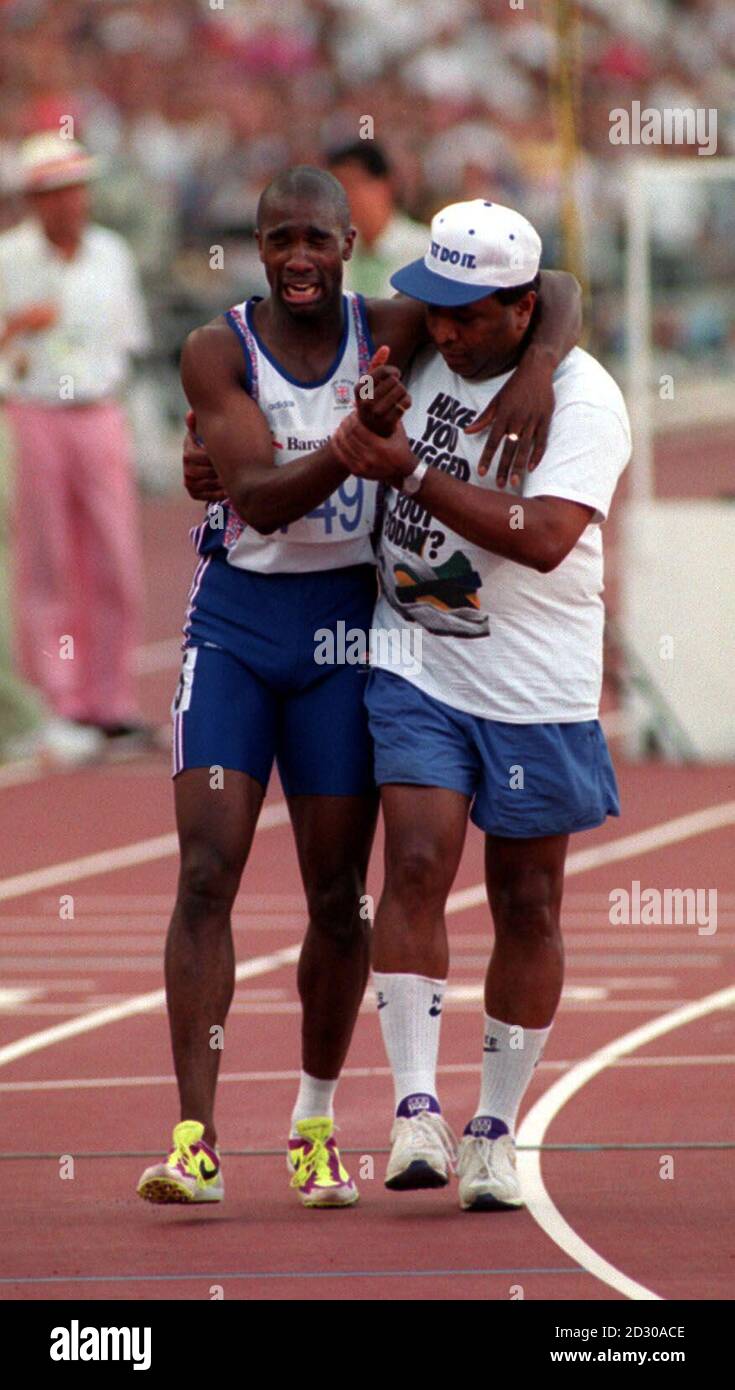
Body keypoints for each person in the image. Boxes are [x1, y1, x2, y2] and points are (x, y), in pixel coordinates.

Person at [138, 166, 581, 1209]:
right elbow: (255, 499)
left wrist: (537, 373)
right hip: (241, 628)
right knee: (208, 869)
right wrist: (352, 441)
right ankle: (197, 1136)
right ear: (256, 247)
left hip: (347, 631)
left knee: (339, 895)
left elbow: (550, 285)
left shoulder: (392, 319)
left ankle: (312, 1121)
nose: (298, 258)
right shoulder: (219, 347)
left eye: (316, 240)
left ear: (349, 247)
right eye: (278, 238)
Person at [331, 198, 631, 1210]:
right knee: (414, 860)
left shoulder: (584, 401)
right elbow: (405, 318)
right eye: (435, 309)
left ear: (518, 308)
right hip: (417, 657)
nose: (442, 330)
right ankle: (417, 1109)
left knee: (529, 901)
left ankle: (495, 1127)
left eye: (465, 315)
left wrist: (411, 467)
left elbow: (545, 535)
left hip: (536, 682)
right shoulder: (424, 346)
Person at [0, 132, 152, 747]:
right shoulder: (9, 258)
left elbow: (129, 338)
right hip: (34, 413)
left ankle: (109, 696)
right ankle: (57, 700)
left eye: (77, 190)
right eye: (56, 193)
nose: (71, 204)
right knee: (46, 559)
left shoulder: (111, 255)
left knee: (114, 555)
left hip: (98, 410)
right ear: (34, 200)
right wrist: (17, 326)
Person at [327, 142, 429, 299]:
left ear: (385, 184)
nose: (345, 196)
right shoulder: (336, 251)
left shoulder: (423, 249)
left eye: (352, 183)